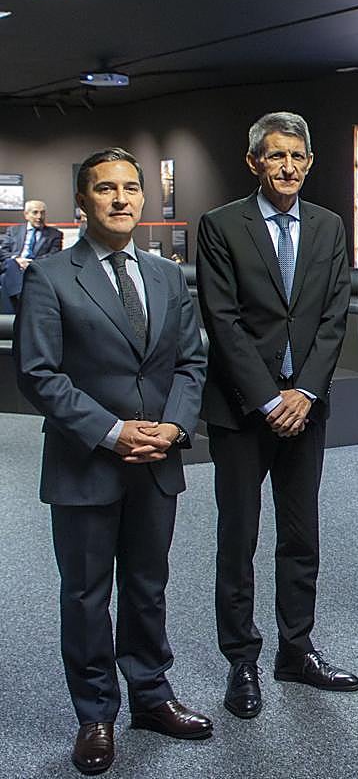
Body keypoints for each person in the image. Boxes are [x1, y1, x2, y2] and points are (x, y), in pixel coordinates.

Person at [15, 148, 210, 775]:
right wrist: (112, 431)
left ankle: (151, 696)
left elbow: (191, 362)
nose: (122, 199)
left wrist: (174, 426)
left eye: (131, 188)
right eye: (106, 189)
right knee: (86, 594)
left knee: (148, 588)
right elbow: (38, 375)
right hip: (86, 464)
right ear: (83, 201)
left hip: (156, 461)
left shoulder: (164, 275)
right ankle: (95, 713)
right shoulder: (50, 277)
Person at [196, 112, 357, 719]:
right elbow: (224, 319)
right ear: (254, 163)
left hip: (306, 409)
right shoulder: (220, 225)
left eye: (298, 157)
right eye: (275, 156)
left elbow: (332, 318)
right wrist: (269, 398)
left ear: (309, 164)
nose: (288, 167)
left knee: (300, 537)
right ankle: (242, 660)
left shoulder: (328, 226)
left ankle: (296, 649)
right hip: (244, 410)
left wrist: (305, 393)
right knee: (237, 539)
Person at [1, 199, 63, 313]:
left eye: (42, 212)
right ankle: (22, 299)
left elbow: (54, 255)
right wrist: (17, 260)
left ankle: (8, 319)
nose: (39, 216)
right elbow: (3, 252)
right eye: (35, 212)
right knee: (11, 265)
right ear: (26, 215)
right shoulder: (13, 230)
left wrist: (30, 263)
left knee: (5, 280)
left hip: (36, 269)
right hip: (13, 266)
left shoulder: (55, 234)